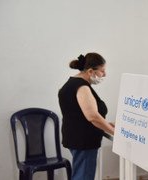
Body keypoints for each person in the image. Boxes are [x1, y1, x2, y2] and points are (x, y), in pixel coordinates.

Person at [58, 52, 115, 180]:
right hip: (83, 141)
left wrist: (107, 124)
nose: (104, 74)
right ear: (90, 71)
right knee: (83, 176)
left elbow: (78, 114)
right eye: (102, 71)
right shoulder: (82, 87)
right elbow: (92, 116)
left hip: (77, 138)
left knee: (80, 174)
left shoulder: (71, 84)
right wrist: (114, 132)